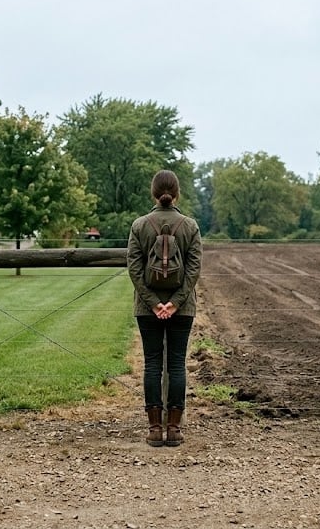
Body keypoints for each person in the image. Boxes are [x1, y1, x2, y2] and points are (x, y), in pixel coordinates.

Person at [127, 170, 202, 447]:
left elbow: (134, 270)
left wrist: (154, 303)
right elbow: (194, 270)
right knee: (177, 365)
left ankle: (154, 429)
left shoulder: (139, 225)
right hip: (182, 309)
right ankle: (175, 429)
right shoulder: (190, 226)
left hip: (148, 309)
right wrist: (176, 302)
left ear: (153, 193)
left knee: (152, 365)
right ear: (177, 193)